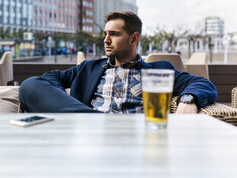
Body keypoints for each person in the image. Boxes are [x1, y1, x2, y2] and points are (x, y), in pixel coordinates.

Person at [19, 11, 217, 113]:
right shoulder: (89, 68)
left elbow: (202, 83)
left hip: (136, 137)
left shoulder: (158, 70)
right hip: (89, 133)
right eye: (105, 34)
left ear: (133, 38)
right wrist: (65, 102)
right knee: (29, 85)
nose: (105, 40)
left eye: (113, 34)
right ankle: (87, 120)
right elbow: (45, 81)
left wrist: (189, 99)